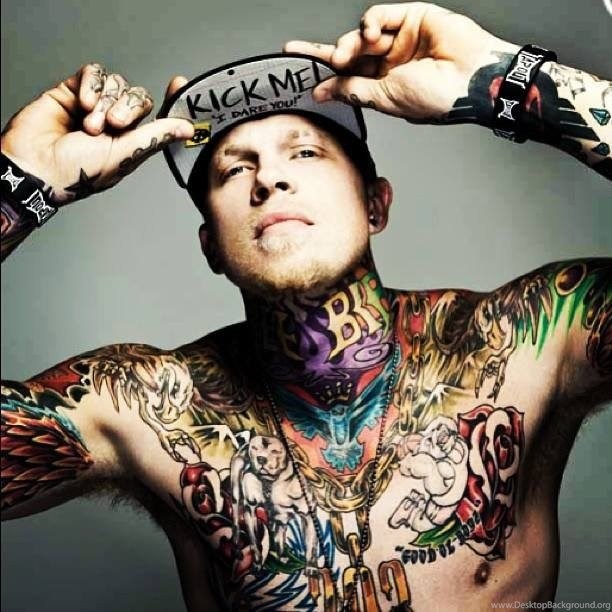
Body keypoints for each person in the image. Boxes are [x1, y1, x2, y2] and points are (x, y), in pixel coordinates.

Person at [1, 2, 610, 611]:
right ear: (211, 246)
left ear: (375, 205)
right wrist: (20, 185)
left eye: (305, 153)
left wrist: (509, 82)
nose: (269, 179)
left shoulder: (526, 340)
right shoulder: (150, 408)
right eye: (234, 169)